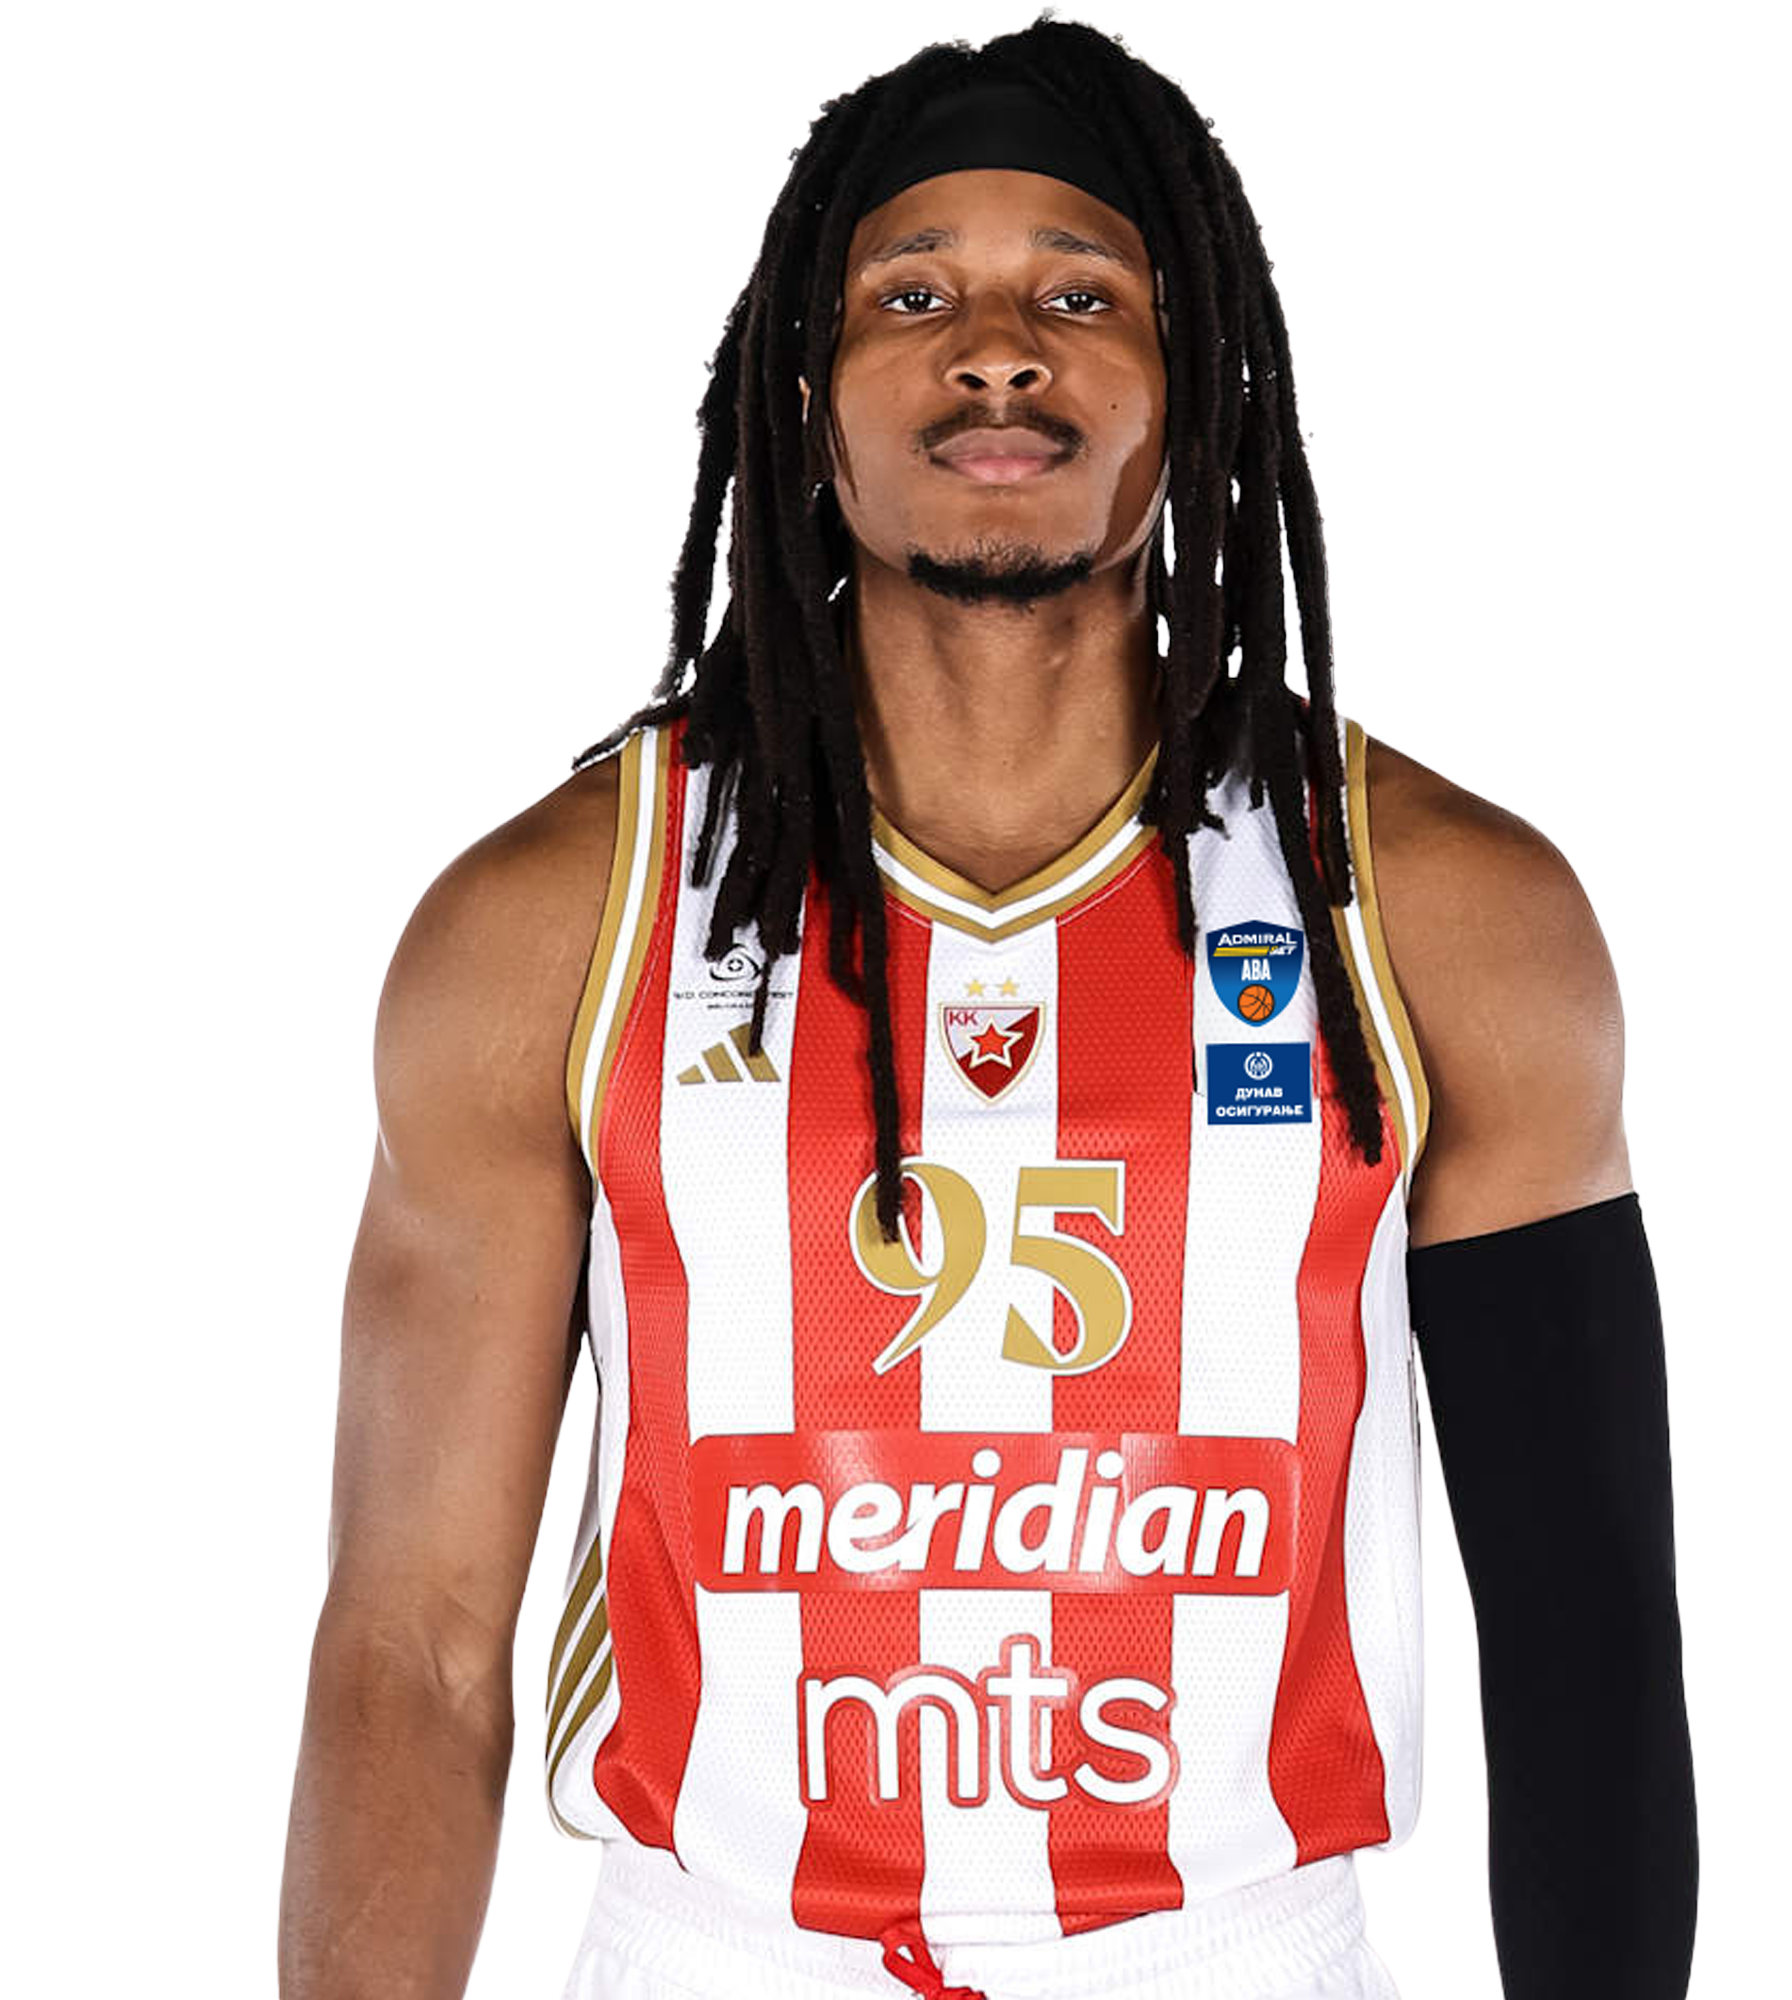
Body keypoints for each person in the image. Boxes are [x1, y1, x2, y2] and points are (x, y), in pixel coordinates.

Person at [279, 17, 1696, 2000]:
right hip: (719, 1953)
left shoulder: (1435, 905)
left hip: (1234, 1955)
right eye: (915, 291)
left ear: (1188, 382)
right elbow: (418, 1644)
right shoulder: (562, 913)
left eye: (1081, 293)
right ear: (806, 391)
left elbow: (1581, 1638)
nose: (1001, 349)